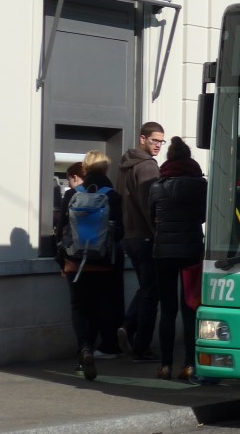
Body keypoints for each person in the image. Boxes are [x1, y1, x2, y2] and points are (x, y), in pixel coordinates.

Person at [58, 151, 125, 380]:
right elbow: (120, 232)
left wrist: (61, 260)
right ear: (106, 169)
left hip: (74, 262)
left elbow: (61, 229)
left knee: (78, 307)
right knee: (96, 308)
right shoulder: (112, 196)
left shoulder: (72, 194)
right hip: (103, 262)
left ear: (85, 169)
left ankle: (84, 350)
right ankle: (90, 349)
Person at [150, 136, 207, 381]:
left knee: (167, 310)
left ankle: (165, 365)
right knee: (190, 308)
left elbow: (152, 218)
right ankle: (189, 364)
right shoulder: (200, 185)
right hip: (191, 251)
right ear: (188, 157)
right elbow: (204, 217)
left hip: (163, 253)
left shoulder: (157, 185)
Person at [119, 121, 165, 361]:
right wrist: (159, 234)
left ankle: (127, 328)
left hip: (130, 237)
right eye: (154, 140)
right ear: (142, 139)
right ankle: (141, 346)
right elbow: (152, 207)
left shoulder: (126, 165)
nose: (158, 145)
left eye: (161, 141)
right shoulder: (147, 166)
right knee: (151, 293)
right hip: (146, 238)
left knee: (146, 288)